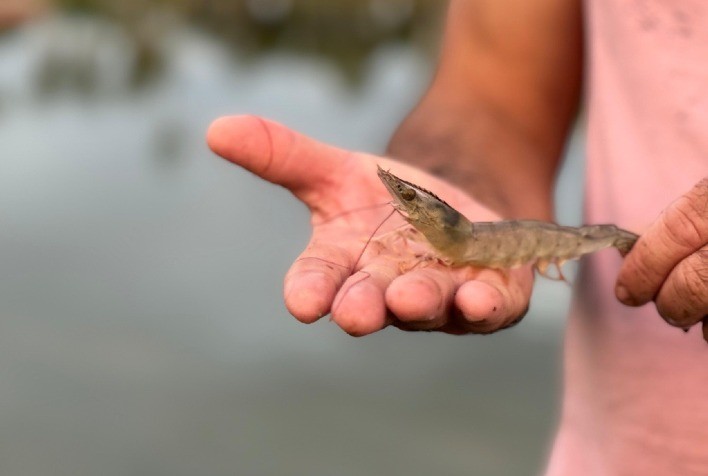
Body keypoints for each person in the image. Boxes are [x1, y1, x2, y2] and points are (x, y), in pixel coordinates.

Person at [207, 1, 708, 473]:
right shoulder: (442, 232)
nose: (403, 208)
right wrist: (454, 179)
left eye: (408, 203)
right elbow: (493, 97)